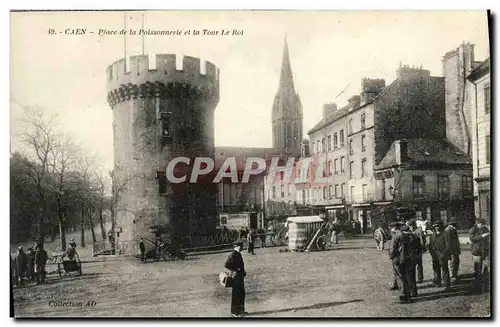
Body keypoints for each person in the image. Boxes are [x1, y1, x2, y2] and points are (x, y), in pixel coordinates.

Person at [388, 221, 417, 303]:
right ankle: (408, 296)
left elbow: (392, 249)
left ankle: (403, 296)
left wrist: (391, 257)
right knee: (406, 277)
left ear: (394, 228)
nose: (390, 229)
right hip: (406, 259)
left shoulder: (395, 235)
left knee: (400, 277)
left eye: (391, 228)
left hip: (398, 259)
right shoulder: (405, 235)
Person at [224, 240, 247, 318]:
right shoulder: (233, 254)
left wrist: (242, 271)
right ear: (236, 247)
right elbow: (227, 264)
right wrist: (237, 270)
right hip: (236, 277)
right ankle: (235, 312)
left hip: (240, 277)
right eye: (241, 246)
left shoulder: (238, 254)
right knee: (236, 294)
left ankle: (241, 310)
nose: (242, 248)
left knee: (241, 293)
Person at [469, 217, 490, 293]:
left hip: (485, 251)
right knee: (477, 269)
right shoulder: (472, 230)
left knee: (485, 269)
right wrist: (482, 236)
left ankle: (485, 287)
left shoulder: (486, 229)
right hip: (476, 252)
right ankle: (477, 287)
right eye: (482, 224)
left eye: (484, 224)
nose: (484, 225)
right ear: (478, 223)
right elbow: (472, 239)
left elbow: (487, 241)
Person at [428, 220, 450, 289]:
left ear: (441, 226)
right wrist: (432, 253)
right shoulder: (432, 236)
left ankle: (446, 284)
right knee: (436, 269)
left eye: (438, 226)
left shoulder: (446, 234)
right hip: (435, 256)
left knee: (444, 270)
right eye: (435, 226)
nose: (436, 228)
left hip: (443, 255)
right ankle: (437, 282)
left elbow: (448, 246)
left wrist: (443, 254)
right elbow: (430, 246)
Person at [408, 219, 426, 283]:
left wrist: (422, 248)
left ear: (415, 225)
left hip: (418, 250)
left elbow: (422, 240)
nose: (411, 227)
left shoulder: (419, 230)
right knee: (412, 265)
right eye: (410, 226)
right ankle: (413, 279)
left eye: (411, 226)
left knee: (419, 264)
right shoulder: (410, 231)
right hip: (411, 251)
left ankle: (420, 278)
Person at [444, 218, 461, 282]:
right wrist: (449, 251)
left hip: (455, 250)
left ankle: (455, 274)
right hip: (452, 251)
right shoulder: (448, 230)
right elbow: (448, 242)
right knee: (452, 263)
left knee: (456, 262)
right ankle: (452, 276)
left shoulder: (453, 229)